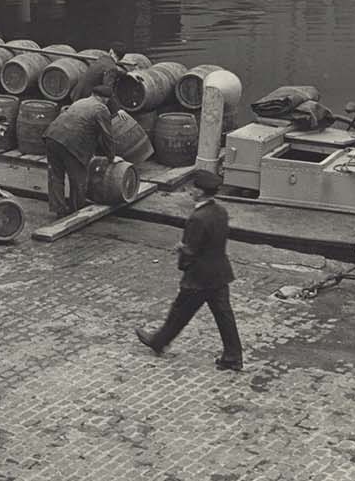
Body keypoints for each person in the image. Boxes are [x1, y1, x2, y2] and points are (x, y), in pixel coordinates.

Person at [135, 170, 244, 372]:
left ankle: (158, 341)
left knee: (180, 311)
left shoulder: (197, 218)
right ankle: (233, 356)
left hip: (199, 277)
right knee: (224, 315)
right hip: (220, 273)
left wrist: (182, 255)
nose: (190, 191)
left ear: (201, 192)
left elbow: (191, 250)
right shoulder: (221, 212)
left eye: (194, 188)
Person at [43, 83, 115, 217]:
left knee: (55, 176)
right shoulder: (101, 108)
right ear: (105, 99)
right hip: (71, 144)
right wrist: (111, 156)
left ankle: (59, 209)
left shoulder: (80, 102)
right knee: (78, 178)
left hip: (51, 137)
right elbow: (107, 135)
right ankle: (76, 212)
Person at [70, 42, 129, 106]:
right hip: (86, 100)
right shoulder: (111, 67)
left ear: (111, 51)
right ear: (122, 57)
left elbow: (111, 71)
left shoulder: (102, 59)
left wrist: (127, 74)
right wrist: (117, 110)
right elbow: (107, 90)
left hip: (76, 94)